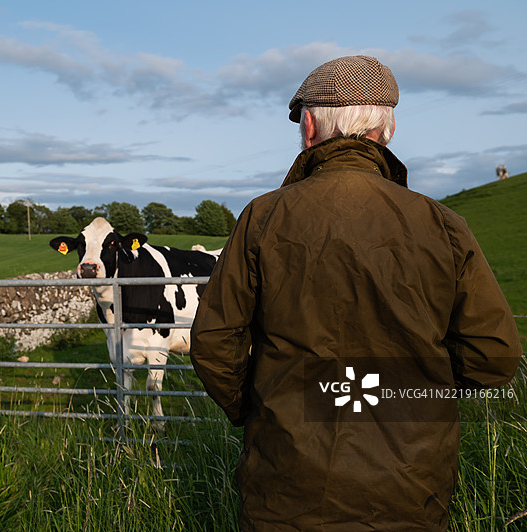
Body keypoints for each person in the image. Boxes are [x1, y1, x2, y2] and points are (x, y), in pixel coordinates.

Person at [189, 55, 522, 531]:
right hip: (412, 492)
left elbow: (213, 344)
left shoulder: (263, 218)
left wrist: (260, 408)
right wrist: (415, 391)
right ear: (388, 129)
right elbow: (494, 355)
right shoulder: (443, 225)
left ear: (308, 126)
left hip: (286, 492)